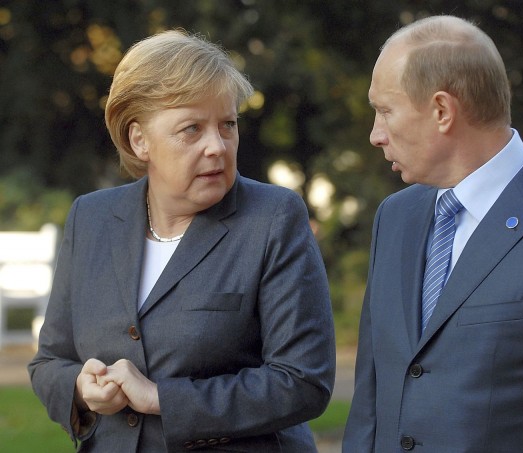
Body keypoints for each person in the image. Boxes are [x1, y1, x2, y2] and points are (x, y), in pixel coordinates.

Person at [343, 14, 523, 452]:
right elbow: (370, 402)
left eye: (385, 111)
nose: (375, 134)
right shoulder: (395, 217)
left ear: (442, 110)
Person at [28, 30, 335, 453]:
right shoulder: (92, 217)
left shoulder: (273, 217)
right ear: (140, 140)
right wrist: (81, 389)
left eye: (227, 125)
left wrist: (162, 399)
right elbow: (49, 362)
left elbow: (302, 380)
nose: (218, 147)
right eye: (192, 129)